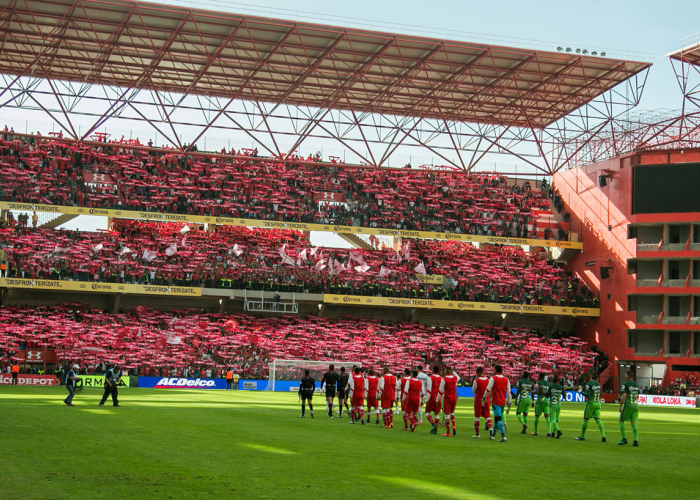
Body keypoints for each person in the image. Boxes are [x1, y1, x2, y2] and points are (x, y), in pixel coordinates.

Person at [575, 372, 606, 442]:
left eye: (585, 378)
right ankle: (603, 435)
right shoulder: (597, 383)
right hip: (598, 403)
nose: (585, 379)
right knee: (598, 420)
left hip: (591, 403)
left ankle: (582, 436)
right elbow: (600, 393)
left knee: (585, 419)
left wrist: (580, 392)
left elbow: (588, 395)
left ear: (587, 377)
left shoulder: (588, 384)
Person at [484, 365, 510, 442]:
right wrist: (509, 402)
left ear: (495, 370)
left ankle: (503, 436)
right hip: (502, 402)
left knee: (498, 419)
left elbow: (488, 389)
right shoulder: (506, 379)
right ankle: (493, 435)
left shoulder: (493, 378)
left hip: (496, 402)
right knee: (496, 419)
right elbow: (509, 392)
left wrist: (484, 397)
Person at [618, 370, 640, 446]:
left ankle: (624, 439)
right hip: (635, 405)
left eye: (625, 375)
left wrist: (620, 405)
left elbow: (624, 395)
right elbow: (637, 396)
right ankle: (636, 440)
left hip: (628, 405)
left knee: (621, 420)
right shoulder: (636, 385)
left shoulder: (625, 384)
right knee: (633, 423)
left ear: (627, 376)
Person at [438, 367, 460, 437]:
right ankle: (453, 426)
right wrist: (453, 372)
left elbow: (441, 390)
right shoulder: (455, 378)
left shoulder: (444, 379)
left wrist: (437, 399)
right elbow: (458, 377)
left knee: (447, 415)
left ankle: (448, 432)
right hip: (454, 398)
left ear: (445, 372)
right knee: (452, 413)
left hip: (447, 398)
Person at [472, 366, 492, 438]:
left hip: (478, 401)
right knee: (487, 416)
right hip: (486, 400)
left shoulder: (476, 381)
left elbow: (473, 391)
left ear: (477, 373)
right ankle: (490, 429)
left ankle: (477, 434)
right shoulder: (488, 380)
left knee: (477, 416)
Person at [425, 366, 443, 434]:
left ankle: (433, 423)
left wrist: (427, 399)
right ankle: (436, 429)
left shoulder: (430, 378)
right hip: (438, 397)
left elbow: (429, 389)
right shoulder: (441, 378)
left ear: (432, 370)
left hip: (432, 397)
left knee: (427, 412)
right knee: (436, 413)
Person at [548, 375, 565, 439]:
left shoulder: (551, 386)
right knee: (556, 420)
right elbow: (565, 397)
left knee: (552, 420)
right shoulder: (561, 387)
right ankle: (553, 433)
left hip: (553, 405)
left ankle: (558, 431)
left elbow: (547, 395)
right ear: (558, 381)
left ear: (553, 380)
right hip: (559, 405)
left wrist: (542, 390)